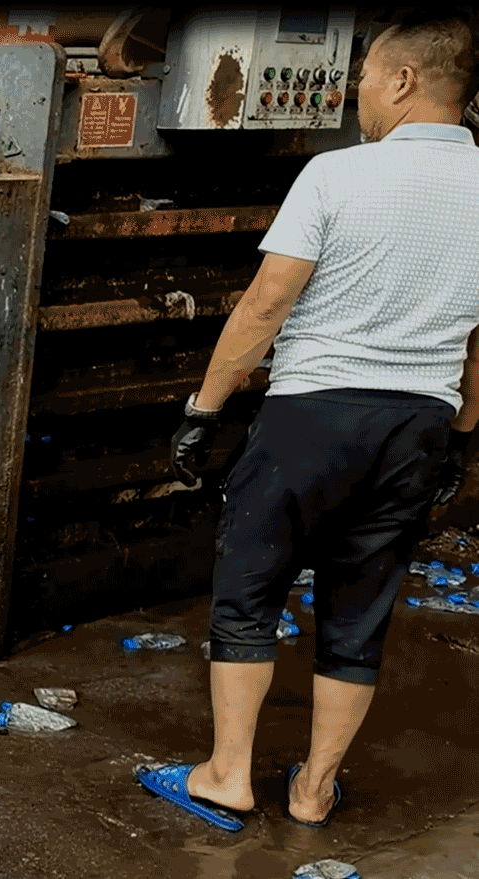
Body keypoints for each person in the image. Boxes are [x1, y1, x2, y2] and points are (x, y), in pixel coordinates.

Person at [142, 11, 479, 832]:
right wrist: (463, 432)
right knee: (358, 609)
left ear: (402, 81)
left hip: (312, 415)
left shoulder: (338, 175)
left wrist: (203, 408)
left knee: (248, 590)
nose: (356, 91)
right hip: (418, 425)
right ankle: (312, 790)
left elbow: (265, 304)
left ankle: (226, 775)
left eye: (364, 74)